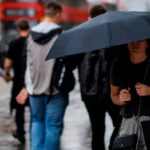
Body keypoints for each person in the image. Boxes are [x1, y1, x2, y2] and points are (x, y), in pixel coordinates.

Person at [16, 1, 75, 150]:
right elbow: (70, 62)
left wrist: (25, 86)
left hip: (34, 89)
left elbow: (26, 64)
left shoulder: (30, 36)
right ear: (57, 14)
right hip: (56, 89)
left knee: (37, 121)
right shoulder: (62, 35)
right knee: (53, 127)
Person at [77, 5, 122, 150]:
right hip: (112, 91)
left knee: (97, 130)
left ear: (89, 18)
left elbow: (70, 62)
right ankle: (112, 146)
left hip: (89, 93)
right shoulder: (114, 36)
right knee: (120, 124)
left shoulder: (80, 37)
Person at [111, 39, 150, 149]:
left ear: (147, 43)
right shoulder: (118, 65)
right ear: (127, 43)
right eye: (132, 41)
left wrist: (149, 91)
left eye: (140, 41)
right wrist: (120, 98)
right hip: (128, 122)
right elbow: (113, 96)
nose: (135, 44)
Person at [3, 19, 30, 144]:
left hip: (18, 81)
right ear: (28, 29)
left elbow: (8, 64)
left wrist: (7, 74)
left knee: (19, 109)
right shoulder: (32, 42)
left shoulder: (14, 44)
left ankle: (21, 134)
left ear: (18, 29)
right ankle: (33, 133)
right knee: (34, 109)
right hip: (31, 81)